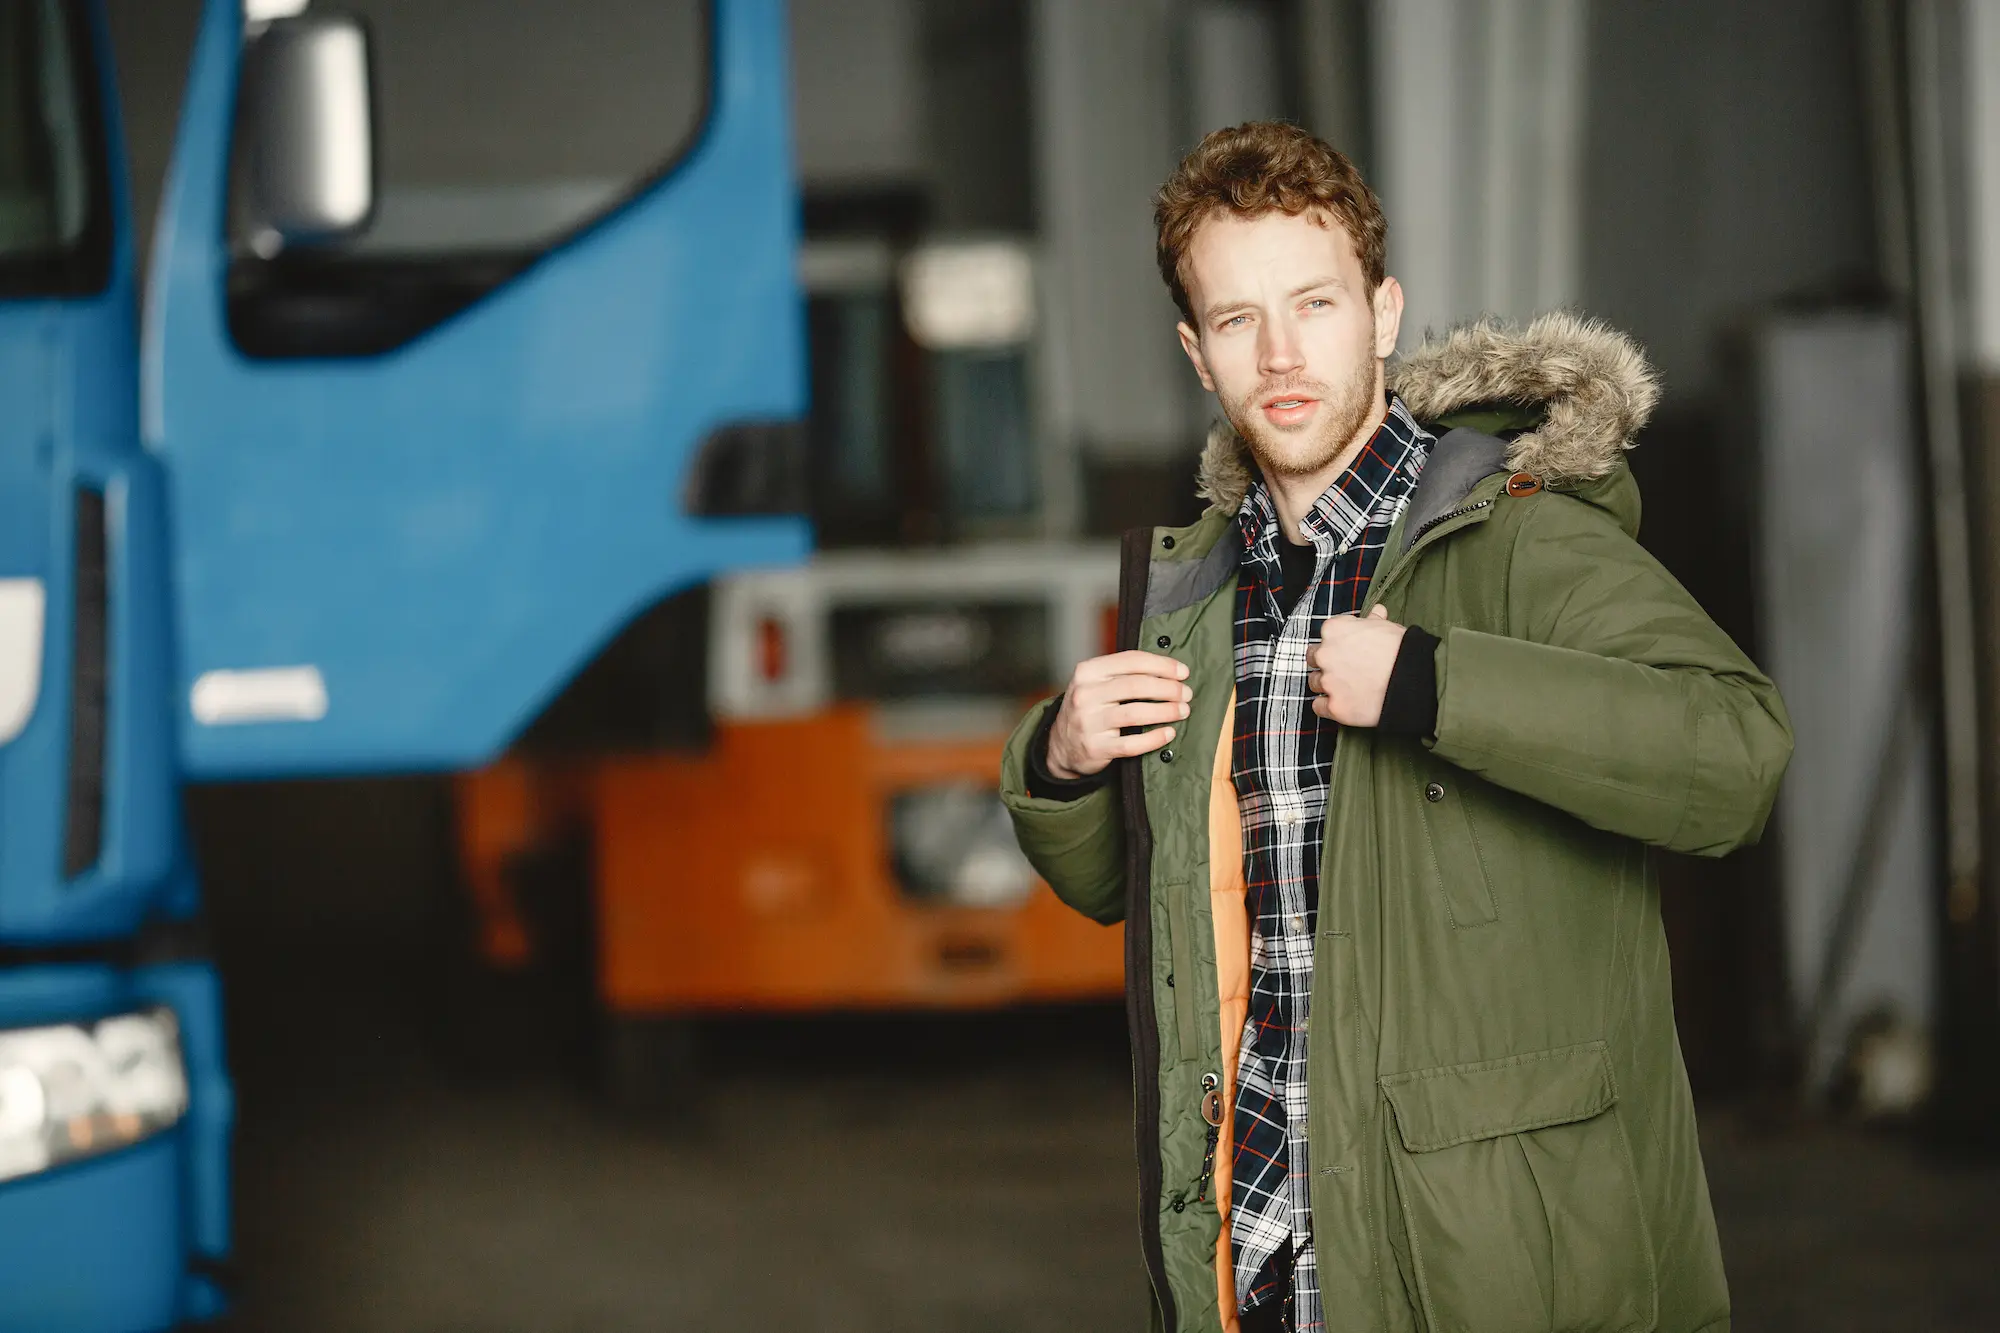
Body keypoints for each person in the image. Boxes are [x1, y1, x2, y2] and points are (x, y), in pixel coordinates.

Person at [999, 121, 1792, 1333]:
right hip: (1259, 1247)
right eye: (1234, 320)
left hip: (1489, 1266)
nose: (1278, 354)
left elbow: (1735, 755)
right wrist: (1058, 763)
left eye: (1311, 303)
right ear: (1194, 354)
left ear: (1380, 313)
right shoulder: (1198, 597)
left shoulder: (1523, 538)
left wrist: (1435, 688)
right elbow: (1154, 902)